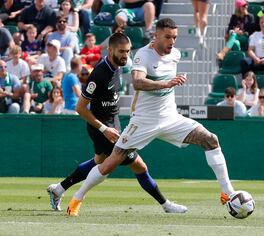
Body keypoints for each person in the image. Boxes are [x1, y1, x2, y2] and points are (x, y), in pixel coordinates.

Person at [66, 18, 236, 216]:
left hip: (171, 117)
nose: (172, 42)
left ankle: (228, 192)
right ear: (156, 36)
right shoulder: (143, 55)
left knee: (211, 139)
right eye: (167, 37)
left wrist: (170, 84)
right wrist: (166, 84)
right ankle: (77, 198)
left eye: (174, 37)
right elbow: (137, 82)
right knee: (108, 164)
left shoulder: (175, 54)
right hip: (143, 121)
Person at [48, 31, 187, 214]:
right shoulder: (99, 74)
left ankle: (59, 189)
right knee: (139, 165)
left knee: (99, 161)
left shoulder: (120, 65)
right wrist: (104, 129)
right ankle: (165, 205)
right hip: (102, 127)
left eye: (128, 51)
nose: (125, 55)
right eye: (122, 51)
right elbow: (81, 108)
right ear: (110, 50)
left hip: (113, 123)